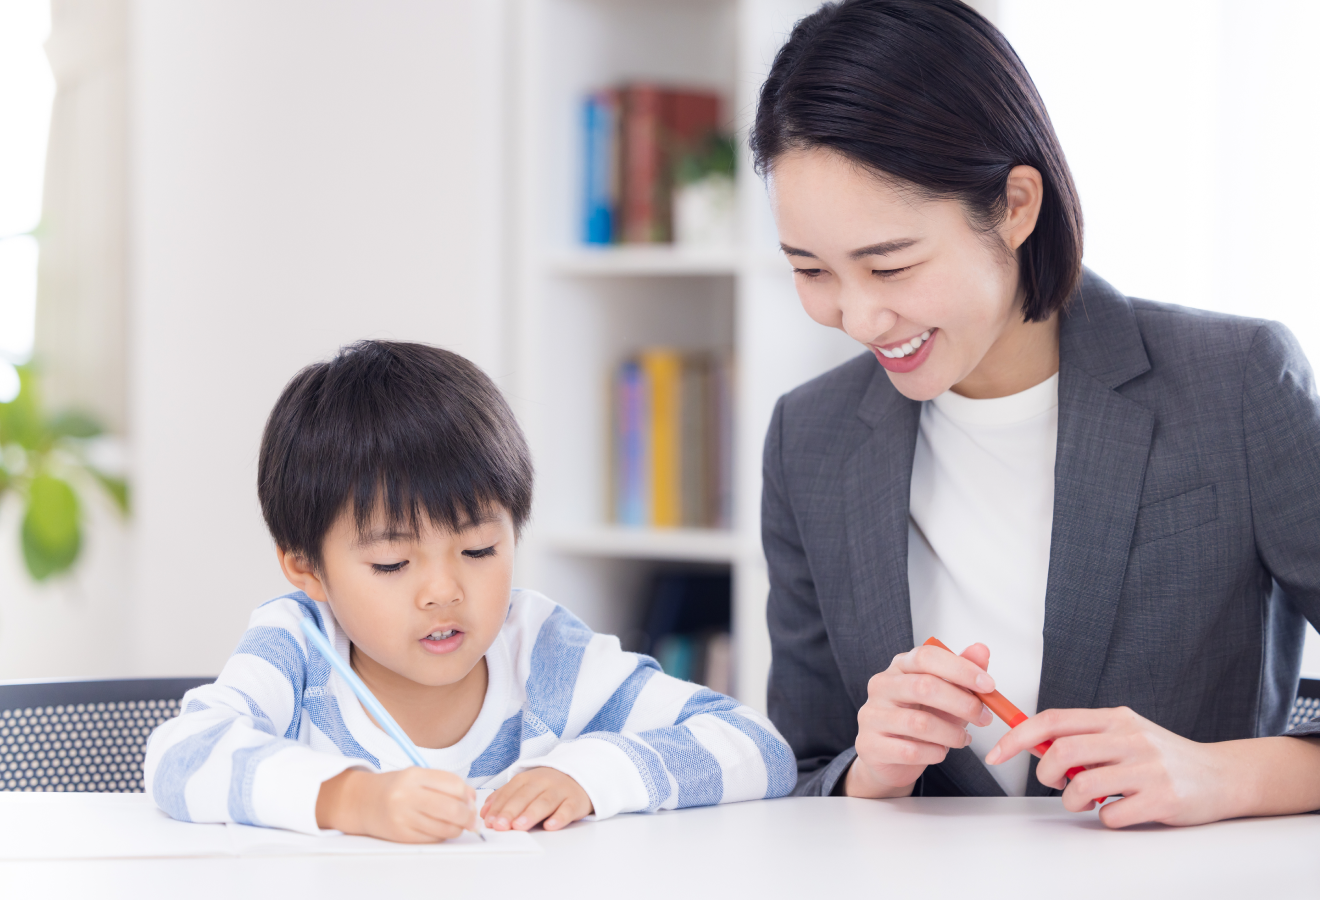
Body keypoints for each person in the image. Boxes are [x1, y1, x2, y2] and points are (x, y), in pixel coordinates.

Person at [750, 0, 1320, 828]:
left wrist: (1227, 777)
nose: (860, 318)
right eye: (811, 271)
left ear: (1016, 205)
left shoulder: (1233, 384)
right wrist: (871, 772)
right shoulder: (809, 438)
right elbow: (805, 769)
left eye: (891, 265)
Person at [144, 340, 794, 842]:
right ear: (307, 569)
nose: (443, 591)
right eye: (393, 563)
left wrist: (589, 775)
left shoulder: (542, 651)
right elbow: (180, 757)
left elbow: (756, 746)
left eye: (479, 550)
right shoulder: (298, 648)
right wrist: (350, 799)